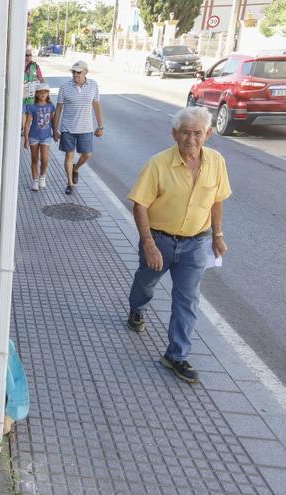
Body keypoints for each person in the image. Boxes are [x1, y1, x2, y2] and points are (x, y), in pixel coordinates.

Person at [126, 106, 231, 384]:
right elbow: (140, 204)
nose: (191, 139)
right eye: (185, 133)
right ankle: (136, 308)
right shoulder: (158, 164)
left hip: (197, 242)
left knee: (187, 299)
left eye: (198, 133)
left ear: (208, 134)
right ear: (175, 134)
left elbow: (217, 199)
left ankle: (176, 355)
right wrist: (148, 244)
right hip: (160, 240)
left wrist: (218, 235)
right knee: (145, 285)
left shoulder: (217, 162)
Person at [53, 60, 104, 195]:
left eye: (78, 72)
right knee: (69, 155)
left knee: (87, 154)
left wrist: (101, 126)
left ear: (85, 72)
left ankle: (76, 168)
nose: (75, 74)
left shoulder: (93, 85)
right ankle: (69, 183)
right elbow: (58, 109)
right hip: (68, 128)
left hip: (86, 127)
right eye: (74, 72)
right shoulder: (65, 87)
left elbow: (97, 105)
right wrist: (55, 129)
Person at [22, 83, 56, 191]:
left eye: (45, 92)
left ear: (48, 94)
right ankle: (35, 180)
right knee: (34, 158)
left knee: (45, 159)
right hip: (34, 136)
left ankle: (42, 176)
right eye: (40, 92)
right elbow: (27, 123)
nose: (43, 94)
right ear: (36, 94)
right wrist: (26, 139)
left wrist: (55, 132)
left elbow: (53, 121)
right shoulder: (32, 107)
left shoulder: (50, 106)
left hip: (46, 136)